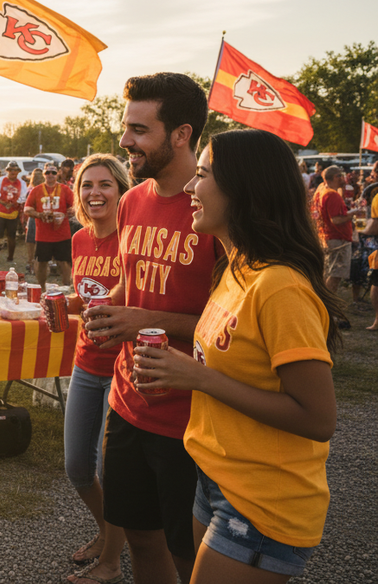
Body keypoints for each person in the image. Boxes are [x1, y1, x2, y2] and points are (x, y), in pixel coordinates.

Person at [136, 129, 339, 584]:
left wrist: (199, 378)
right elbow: (233, 368)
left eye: (202, 175)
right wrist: (181, 374)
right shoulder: (235, 269)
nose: (189, 186)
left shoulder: (279, 287)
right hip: (215, 477)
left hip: (263, 498)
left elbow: (318, 417)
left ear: (243, 189)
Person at [84, 72, 222, 584]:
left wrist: (145, 319)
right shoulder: (131, 200)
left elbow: (234, 321)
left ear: (181, 134)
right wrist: (106, 311)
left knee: (191, 553)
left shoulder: (215, 208)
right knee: (140, 537)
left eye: (139, 130)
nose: (125, 141)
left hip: (190, 414)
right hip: (126, 401)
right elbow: (130, 286)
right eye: (126, 127)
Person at [62, 154, 130, 584]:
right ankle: (108, 534)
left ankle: (111, 560)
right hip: (86, 362)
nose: (95, 193)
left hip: (125, 366)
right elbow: (86, 298)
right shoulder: (79, 239)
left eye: (106, 184)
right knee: (77, 467)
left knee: (114, 470)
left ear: (123, 191)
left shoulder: (134, 239)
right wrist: (64, 305)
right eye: (87, 185)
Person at [312, 165, 365, 329]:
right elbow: (336, 220)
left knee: (328, 274)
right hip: (338, 239)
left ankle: (324, 311)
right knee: (334, 277)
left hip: (327, 237)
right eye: (341, 176)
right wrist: (354, 213)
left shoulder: (321, 191)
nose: (344, 178)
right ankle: (327, 312)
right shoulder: (332, 195)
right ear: (335, 178)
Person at [24, 163, 76, 290]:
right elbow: (27, 209)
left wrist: (71, 212)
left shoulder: (65, 189)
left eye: (53, 172)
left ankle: (67, 287)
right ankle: (42, 288)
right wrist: (39, 214)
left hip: (62, 233)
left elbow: (75, 205)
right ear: (44, 175)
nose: (50, 175)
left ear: (57, 173)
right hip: (43, 234)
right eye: (47, 173)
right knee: (41, 262)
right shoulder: (36, 190)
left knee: (64, 262)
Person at [0, 162, 27, 263]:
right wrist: (3, 202)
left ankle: (10, 257)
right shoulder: (1, 180)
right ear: (7, 171)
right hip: (0, 211)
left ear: (18, 172)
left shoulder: (21, 183)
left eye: (15, 170)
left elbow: (23, 196)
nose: (13, 172)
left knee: (11, 235)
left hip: (13, 212)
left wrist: (14, 203)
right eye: (10, 170)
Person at [23, 168, 44, 272]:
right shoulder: (31, 189)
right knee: (32, 240)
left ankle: (33, 262)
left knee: (35, 240)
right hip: (34, 216)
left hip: (38, 216)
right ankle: (32, 262)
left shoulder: (34, 189)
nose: (37, 177)